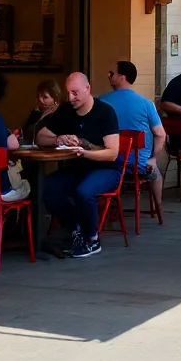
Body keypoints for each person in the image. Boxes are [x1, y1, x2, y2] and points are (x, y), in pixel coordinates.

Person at [37, 73, 120, 258]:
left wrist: (85, 152)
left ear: (87, 89)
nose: (70, 98)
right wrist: (57, 138)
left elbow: (112, 153)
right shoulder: (66, 110)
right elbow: (40, 137)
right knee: (45, 188)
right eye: (68, 93)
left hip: (105, 169)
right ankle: (76, 228)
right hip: (76, 168)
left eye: (75, 93)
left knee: (83, 191)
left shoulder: (105, 112)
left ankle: (92, 239)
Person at [98, 61, 166, 218]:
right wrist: (153, 158)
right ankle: (159, 209)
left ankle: (109, 205)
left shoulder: (101, 102)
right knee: (156, 173)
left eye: (111, 74)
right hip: (138, 166)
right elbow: (161, 134)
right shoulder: (146, 104)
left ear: (122, 77)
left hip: (107, 161)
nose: (109, 76)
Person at [21, 79, 65, 145]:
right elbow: (24, 132)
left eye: (45, 97)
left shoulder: (60, 114)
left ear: (55, 98)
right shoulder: (36, 112)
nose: (40, 100)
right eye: (39, 96)